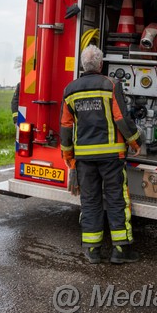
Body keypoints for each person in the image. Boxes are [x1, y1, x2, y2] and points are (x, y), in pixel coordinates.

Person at [59, 45, 141, 264]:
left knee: (90, 202)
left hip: (84, 158)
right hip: (112, 157)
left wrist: (68, 156)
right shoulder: (110, 85)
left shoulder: (70, 90)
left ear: (83, 66)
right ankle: (120, 252)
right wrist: (135, 142)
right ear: (101, 65)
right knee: (116, 201)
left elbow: (65, 126)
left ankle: (93, 251)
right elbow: (121, 118)